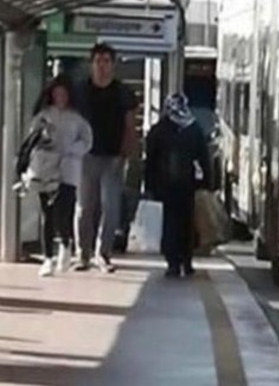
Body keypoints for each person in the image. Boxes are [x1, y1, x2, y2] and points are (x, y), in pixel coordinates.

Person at [19, 76, 93, 277]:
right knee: (47, 212)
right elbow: (32, 138)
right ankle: (48, 257)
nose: (60, 98)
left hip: (69, 169)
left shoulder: (78, 118)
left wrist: (73, 150)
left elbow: (87, 140)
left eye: (64, 94)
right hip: (46, 170)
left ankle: (66, 245)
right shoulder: (43, 116)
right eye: (56, 94)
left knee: (65, 210)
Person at [74, 43, 139, 273]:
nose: (102, 66)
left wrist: (126, 153)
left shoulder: (124, 93)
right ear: (91, 64)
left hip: (113, 157)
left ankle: (103, 253)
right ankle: (83, 254)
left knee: (110, 207)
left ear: (113, 65)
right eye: (98, 61)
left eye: (106, 61)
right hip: (85, 156)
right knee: (84, 207)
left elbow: (131, 126)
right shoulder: (80, 91)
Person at [144, 93, 213, 278]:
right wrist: (207, 182)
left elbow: (150, 160)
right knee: (187, 223)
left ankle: (173, 262)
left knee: (170, 223)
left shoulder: (159, 129)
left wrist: (149, 185)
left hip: (165, 185)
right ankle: (186, 261)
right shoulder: (194, 128)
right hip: (187, 184)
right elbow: (204, 158)